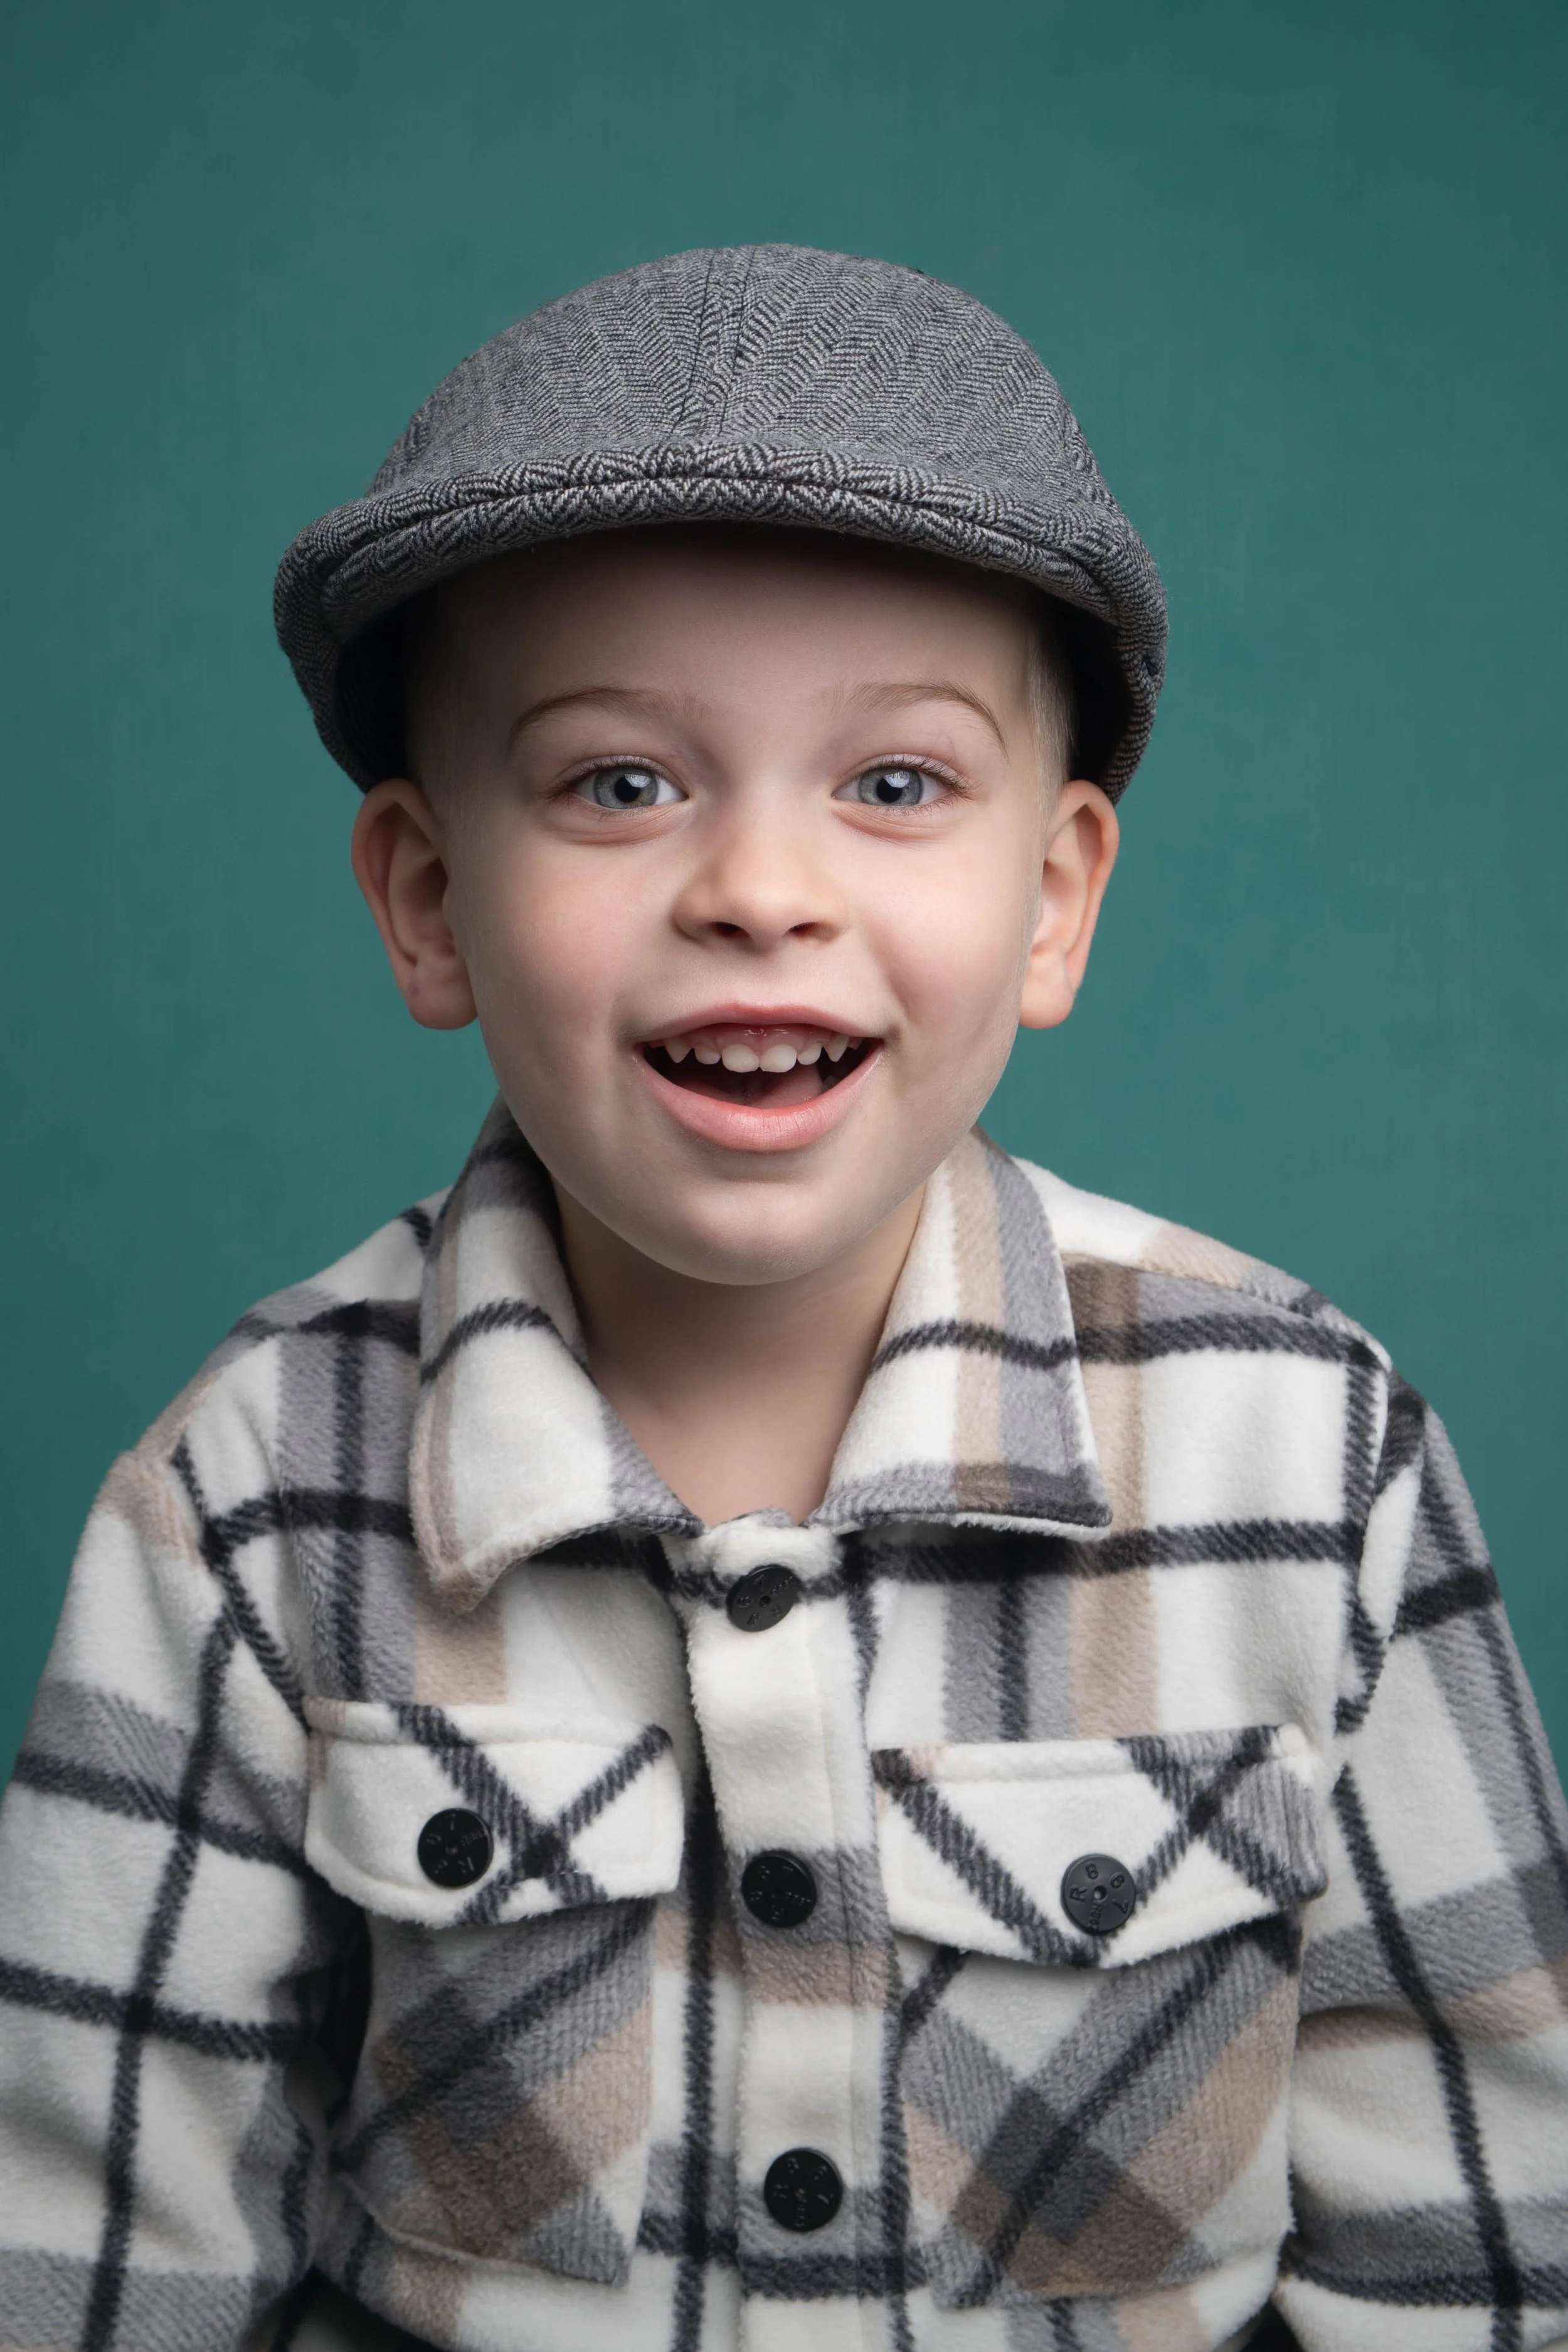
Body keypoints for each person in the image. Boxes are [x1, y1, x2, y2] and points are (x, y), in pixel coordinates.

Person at [0, 245, 1562, 2352]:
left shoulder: (1309, 1454)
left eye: (894, 782)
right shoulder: (251, 1504)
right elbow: (98, 2271)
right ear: (431, 895)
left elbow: (1478, 2249)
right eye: (618, 782)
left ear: (1051, 893)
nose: (759, 883)